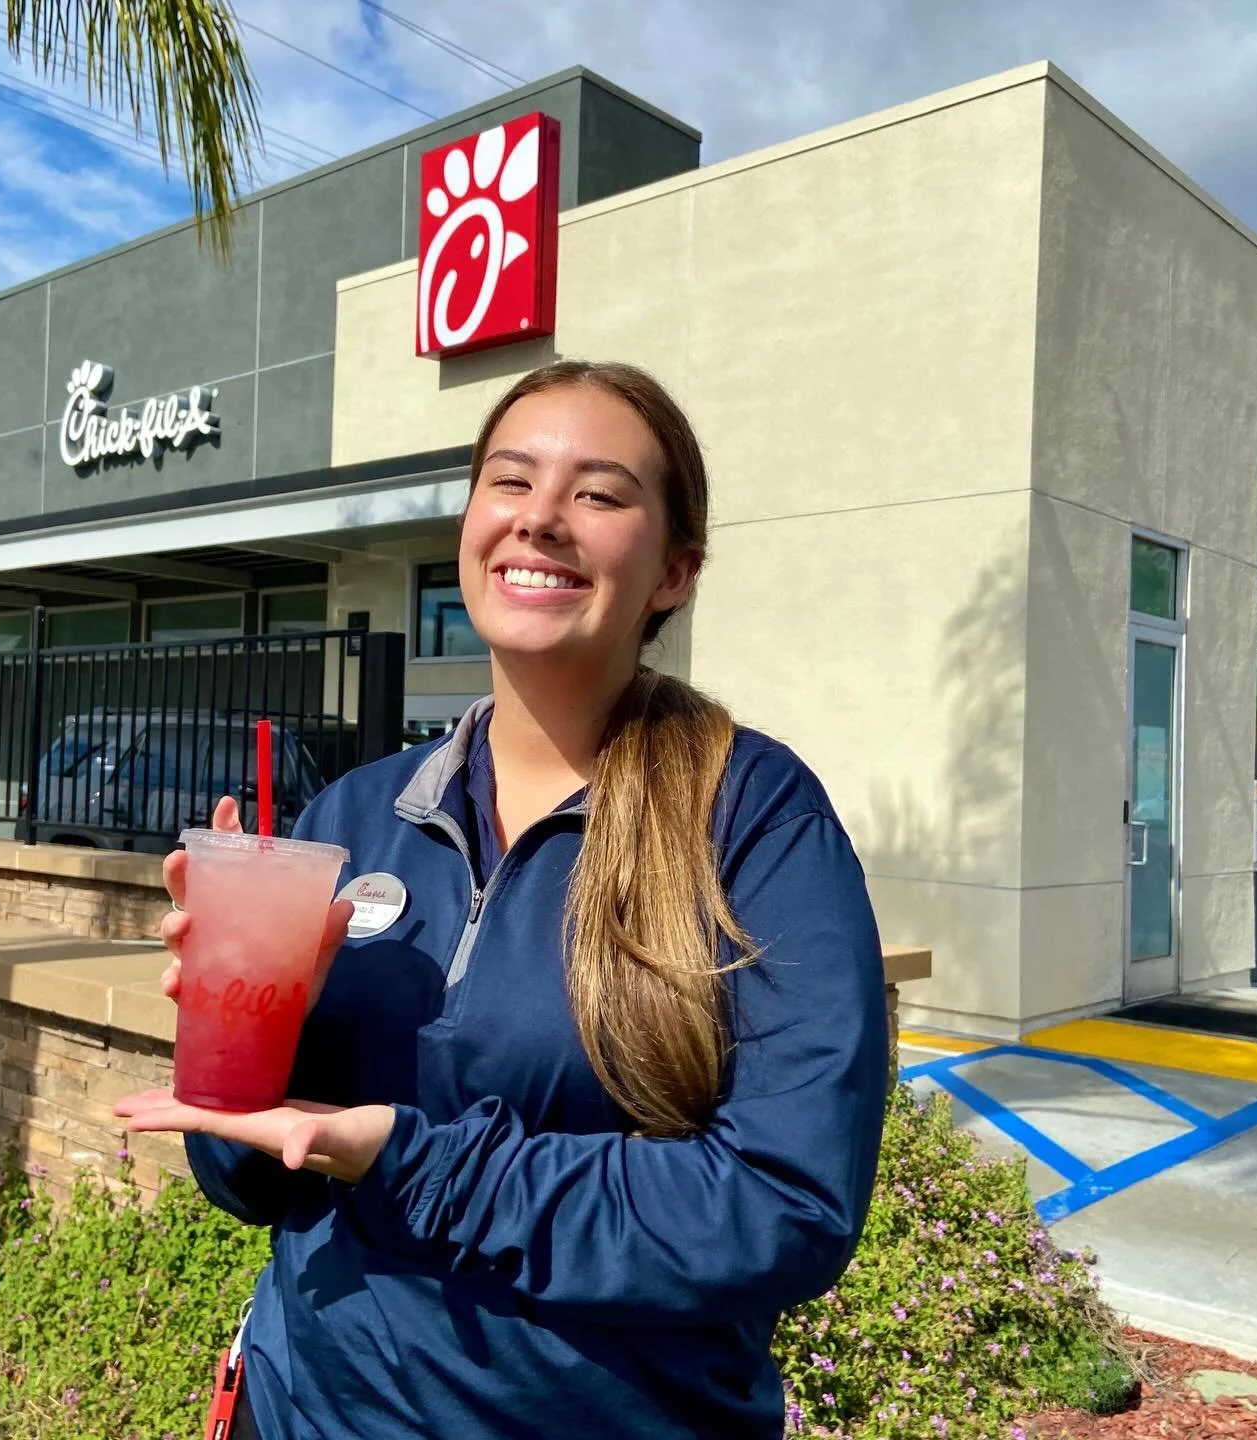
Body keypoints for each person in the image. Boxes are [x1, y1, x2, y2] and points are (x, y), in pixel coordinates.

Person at [115, 360, 889, 1440]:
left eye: (599, 493)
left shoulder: (753, 817)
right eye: (511, 481)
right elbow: (251, 1185)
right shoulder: (355, 813)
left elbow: (785, 1206)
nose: (541, 518)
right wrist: (245, 1036)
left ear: (673, 572)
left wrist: (416, 1165)